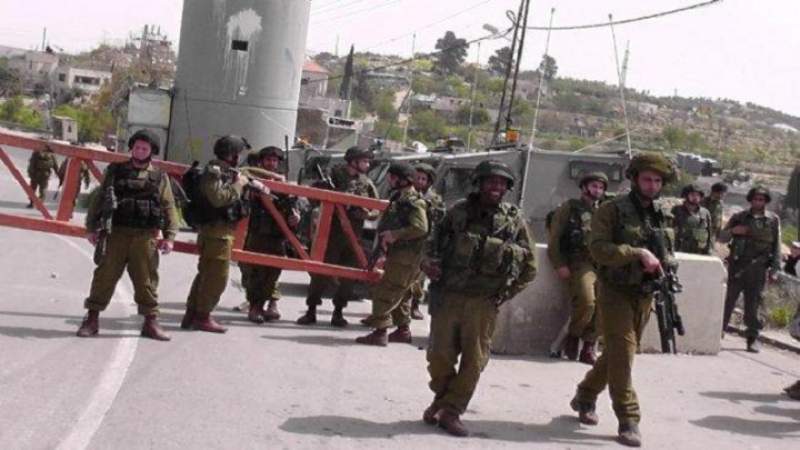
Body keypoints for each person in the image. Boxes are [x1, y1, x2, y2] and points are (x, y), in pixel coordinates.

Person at [421, 160, 537, 437]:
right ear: (479, 183)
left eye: (502, 183)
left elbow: (530, 267)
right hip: (449, 295)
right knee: (438, 356)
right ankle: (442, 400)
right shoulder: (457, 212)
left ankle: (451, 411)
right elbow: (430, 244)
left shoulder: (513, 221)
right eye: (491, 181)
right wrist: (428, 263)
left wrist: (504, 294)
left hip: (483, 302)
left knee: (474, 361)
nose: (496, 187)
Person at [569, 153, 678, 447]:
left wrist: (666, 267)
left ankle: (585, 394)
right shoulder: (612, 210)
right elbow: (598, 249)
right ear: (634, 179)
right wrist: (637, 253)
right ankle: (628, 418)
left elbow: (668, 251)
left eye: (658, 181)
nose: (653, 185)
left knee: (618, 354)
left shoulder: (663, 213)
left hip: (645, 293)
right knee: (624, 353)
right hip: (615, 290)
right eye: (647, 179)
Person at [76, 130, 178, 341]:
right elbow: (99, 200)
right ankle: (92, 319)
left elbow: (169, 207)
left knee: (146, 280)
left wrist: (169, 237)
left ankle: (151, 322)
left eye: (145, 148)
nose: (139, 151)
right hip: (116, 235)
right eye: (137, 147)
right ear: (131, 148)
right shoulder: (115, 171)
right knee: (104, 276)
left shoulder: (159, 177)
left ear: (152, 151)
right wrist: (91, 227)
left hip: (144, 238)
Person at [181, 135, 266, 334]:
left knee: (205, 275)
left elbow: (244, 176)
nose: (239, 158)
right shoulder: (214, 172)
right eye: (238, 154)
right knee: (217, 278)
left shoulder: (227, 171)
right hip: (216, 234)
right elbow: (218, 198)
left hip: (218, 233)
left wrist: (250, 183)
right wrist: (239, 184)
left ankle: (192, 314)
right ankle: (203, 317)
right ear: (231, 154)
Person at [297, 146, 379, 327]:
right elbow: (311, 199)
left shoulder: (366, 183)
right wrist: (322, 190)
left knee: (348, 276)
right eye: (364, 161)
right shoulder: (333, 176)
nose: (367, 164)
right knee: (321, 274)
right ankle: (311, 310)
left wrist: (366, 213)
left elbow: (377, 208)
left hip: (353, 236)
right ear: (353, 161)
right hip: (331, 233)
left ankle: (338, 312)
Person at [356, 162, 428, 346]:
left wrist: (394, 235)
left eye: (393, 177)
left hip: (407, 257)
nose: (389, 180)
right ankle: (403, 331)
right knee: (401, 292)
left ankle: (380, 332)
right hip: (400, 254)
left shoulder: (413, 201)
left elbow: (421, 227)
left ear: (404, 180)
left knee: (385, 291)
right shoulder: (400, 197)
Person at [547, 171, 608, 365]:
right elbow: (554, 239)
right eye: (594, 186)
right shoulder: (570, 208)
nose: (597, 190)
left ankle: (589, 346)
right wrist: (559, 264)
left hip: (603, 263)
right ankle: (573, 336)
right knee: (587, 301)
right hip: (580, 262)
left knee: (605, 304)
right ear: (584, 187)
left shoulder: (605, 211)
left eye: (601, 187)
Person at [239, 146, 300, 324]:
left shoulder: (284, 184)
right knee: (253, 272)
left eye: (274, 161)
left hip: (276, 234)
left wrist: (296, 216)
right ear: (261, 162)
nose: (271, 164)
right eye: (268, 160)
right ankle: (254, 306)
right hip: (256, 232)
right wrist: (270, 179)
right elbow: (244, 172)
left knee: (272, 273)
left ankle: (267, 304)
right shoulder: (251, 178)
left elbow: (294, 206)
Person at [720, 186, 781, 352]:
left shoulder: (772, 220)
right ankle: (718, 333)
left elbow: (776, 246)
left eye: (761, 199)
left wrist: (775, 270)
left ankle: (752, 338)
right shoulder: (739, 217)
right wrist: (733, 230)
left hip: (758, 269)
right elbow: (722, 237)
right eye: (755, 199)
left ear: (766, 201)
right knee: (728, 301)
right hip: (737, 267)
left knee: (753, 305)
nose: (758, 202)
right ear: (750, 200)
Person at [405, 163, 446, 320]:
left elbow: (440, 221)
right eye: (417, 178)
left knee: (419, 276)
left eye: (423, 179)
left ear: (429, 182)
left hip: (425, 242)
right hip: (406, 239)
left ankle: (415, 305)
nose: (420, 181)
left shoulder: (434, 199)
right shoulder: (406, 193)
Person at [671, 184, 713, 255]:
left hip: (698, 251)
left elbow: (709, 234)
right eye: (693, 195)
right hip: (679, 251)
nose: (695, 197)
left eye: (698, 195)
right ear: (685, 196)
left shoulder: (705, 212)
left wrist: (708, 251)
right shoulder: (677, 210)